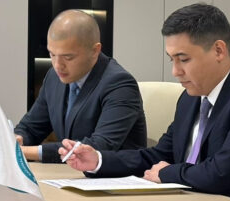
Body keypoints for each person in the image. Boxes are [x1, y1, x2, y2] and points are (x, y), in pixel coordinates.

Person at [62, 3, 230, 201]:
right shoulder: (191, 97)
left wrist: (167, 173)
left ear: (218, 50)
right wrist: (99, 160)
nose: (175, 71)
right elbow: (160, 155)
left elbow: (222, 173)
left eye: (183, 59)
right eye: (172, 60)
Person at [15, 10, 146, 163]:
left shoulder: (120, 84)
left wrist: (23, 152)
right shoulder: (54, 77)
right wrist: (18, 138)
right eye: (52, 54)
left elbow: (98, 146)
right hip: (70, 173)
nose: (57, 65)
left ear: (95, 50)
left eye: (68, 57)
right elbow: (31, 127)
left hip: (114, 175)